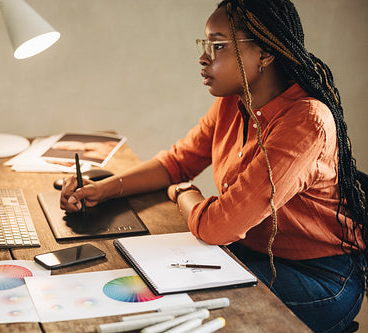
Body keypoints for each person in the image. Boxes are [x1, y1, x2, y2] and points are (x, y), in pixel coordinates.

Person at [60, 1, 367, 331]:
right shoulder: (232, 102)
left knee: (181, 307)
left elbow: (217, 227)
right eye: (205, 44)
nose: (204, 57)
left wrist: (183, 193)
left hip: (319, 277)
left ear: (264, 54)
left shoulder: (305, 122)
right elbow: (177, 161)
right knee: (145, 287)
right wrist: (103, 189)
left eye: (218, 45)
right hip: (251, 255)